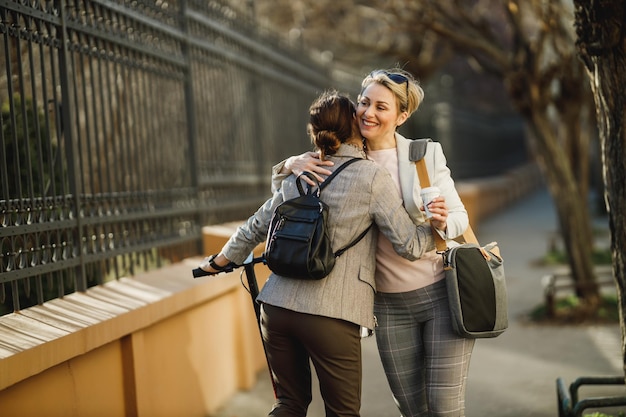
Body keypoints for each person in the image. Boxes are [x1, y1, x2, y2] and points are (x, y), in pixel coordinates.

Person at [199, 90, 436, 417]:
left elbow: (258, 224)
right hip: (334, 316)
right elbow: (408, 246)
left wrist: (217, 262)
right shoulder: (370, 177)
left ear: (315, 132)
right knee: (342, 412)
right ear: (354, 124)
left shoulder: (299, 171)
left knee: (289, 404)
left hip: (276, 308)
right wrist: (436, 228)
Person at [274, 69, 473, 417]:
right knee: (413, 409)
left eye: (382, 107)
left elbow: (460, 218)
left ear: (402, 115)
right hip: (387, 307)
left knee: (444, 409)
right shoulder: (340, 157)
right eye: (364, 102)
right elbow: (286, 201)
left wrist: (443, 221)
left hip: (440, 295)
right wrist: (288, 164)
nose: (368, 112)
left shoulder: (423, 155)